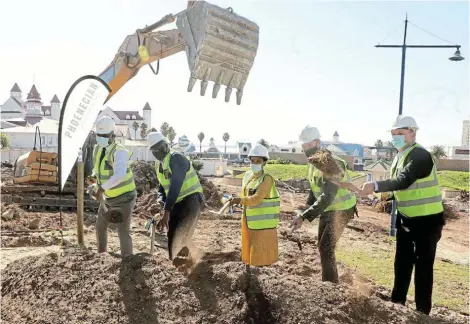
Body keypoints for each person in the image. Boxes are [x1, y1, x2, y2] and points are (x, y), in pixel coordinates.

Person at [359, 115, 445, 315]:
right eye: (394, 134)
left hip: (427, 221)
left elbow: (404, 180)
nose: (396, 137)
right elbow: (401, 186)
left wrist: (377, 185)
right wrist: (386, 196)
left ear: (412, 133)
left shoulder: (421, 155)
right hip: (406, 218)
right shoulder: (400, 156)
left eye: (400, 133)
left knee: (423, 268)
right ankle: (397, 306)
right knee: (402, 263)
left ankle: (422, 313)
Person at [290, 126, 357, 283]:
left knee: (326, 247)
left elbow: (327, 196)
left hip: (342, 209)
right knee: (322, 246)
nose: (305, 148)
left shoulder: (329, 163)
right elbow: (315, 191)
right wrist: (305, 210)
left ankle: (331, 285)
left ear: (318, 142)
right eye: (303, 145)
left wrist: (305, 217)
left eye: (308, 144)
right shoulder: (313, 163)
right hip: (329, 208)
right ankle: (328, 282)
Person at [147, 131, 205, 264]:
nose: (163, 149)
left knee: (182, 236)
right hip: (177, 203)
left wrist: (166, 212)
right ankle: (177, 266)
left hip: (192, 200)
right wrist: (161, 202)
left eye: (164, 145)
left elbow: (175, 186)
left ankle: (188, 266)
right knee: (172, 236)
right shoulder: (159, 165)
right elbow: (162, 188)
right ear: (153, 151)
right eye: (158, 148)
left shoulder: (176, 158)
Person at [88, 116, 137, 258]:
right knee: (100, 227)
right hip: (108, 197)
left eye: (104, 135)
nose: (101, 138)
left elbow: (119, 175)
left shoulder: (119, 151)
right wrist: (92, 182)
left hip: (125, 197)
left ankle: (128, 261)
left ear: (112, 135)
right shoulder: (97, 149)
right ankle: (102, 256)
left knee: (123, 230)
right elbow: (96, 170)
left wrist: (101, 189)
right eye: (99, 135)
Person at [230, 144, 280, 269]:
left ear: (264, 162)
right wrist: (237, 199)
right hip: (248, 218)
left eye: (258, 161)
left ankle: (260, 272)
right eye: (252, 161)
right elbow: (245, 193)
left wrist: (239, 200)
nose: (255, 163)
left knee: (261, 253)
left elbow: (257, 198)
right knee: (248, 246)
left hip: (263, 224)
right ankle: (249, 267)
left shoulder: (266, 179)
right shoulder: (248, 176)